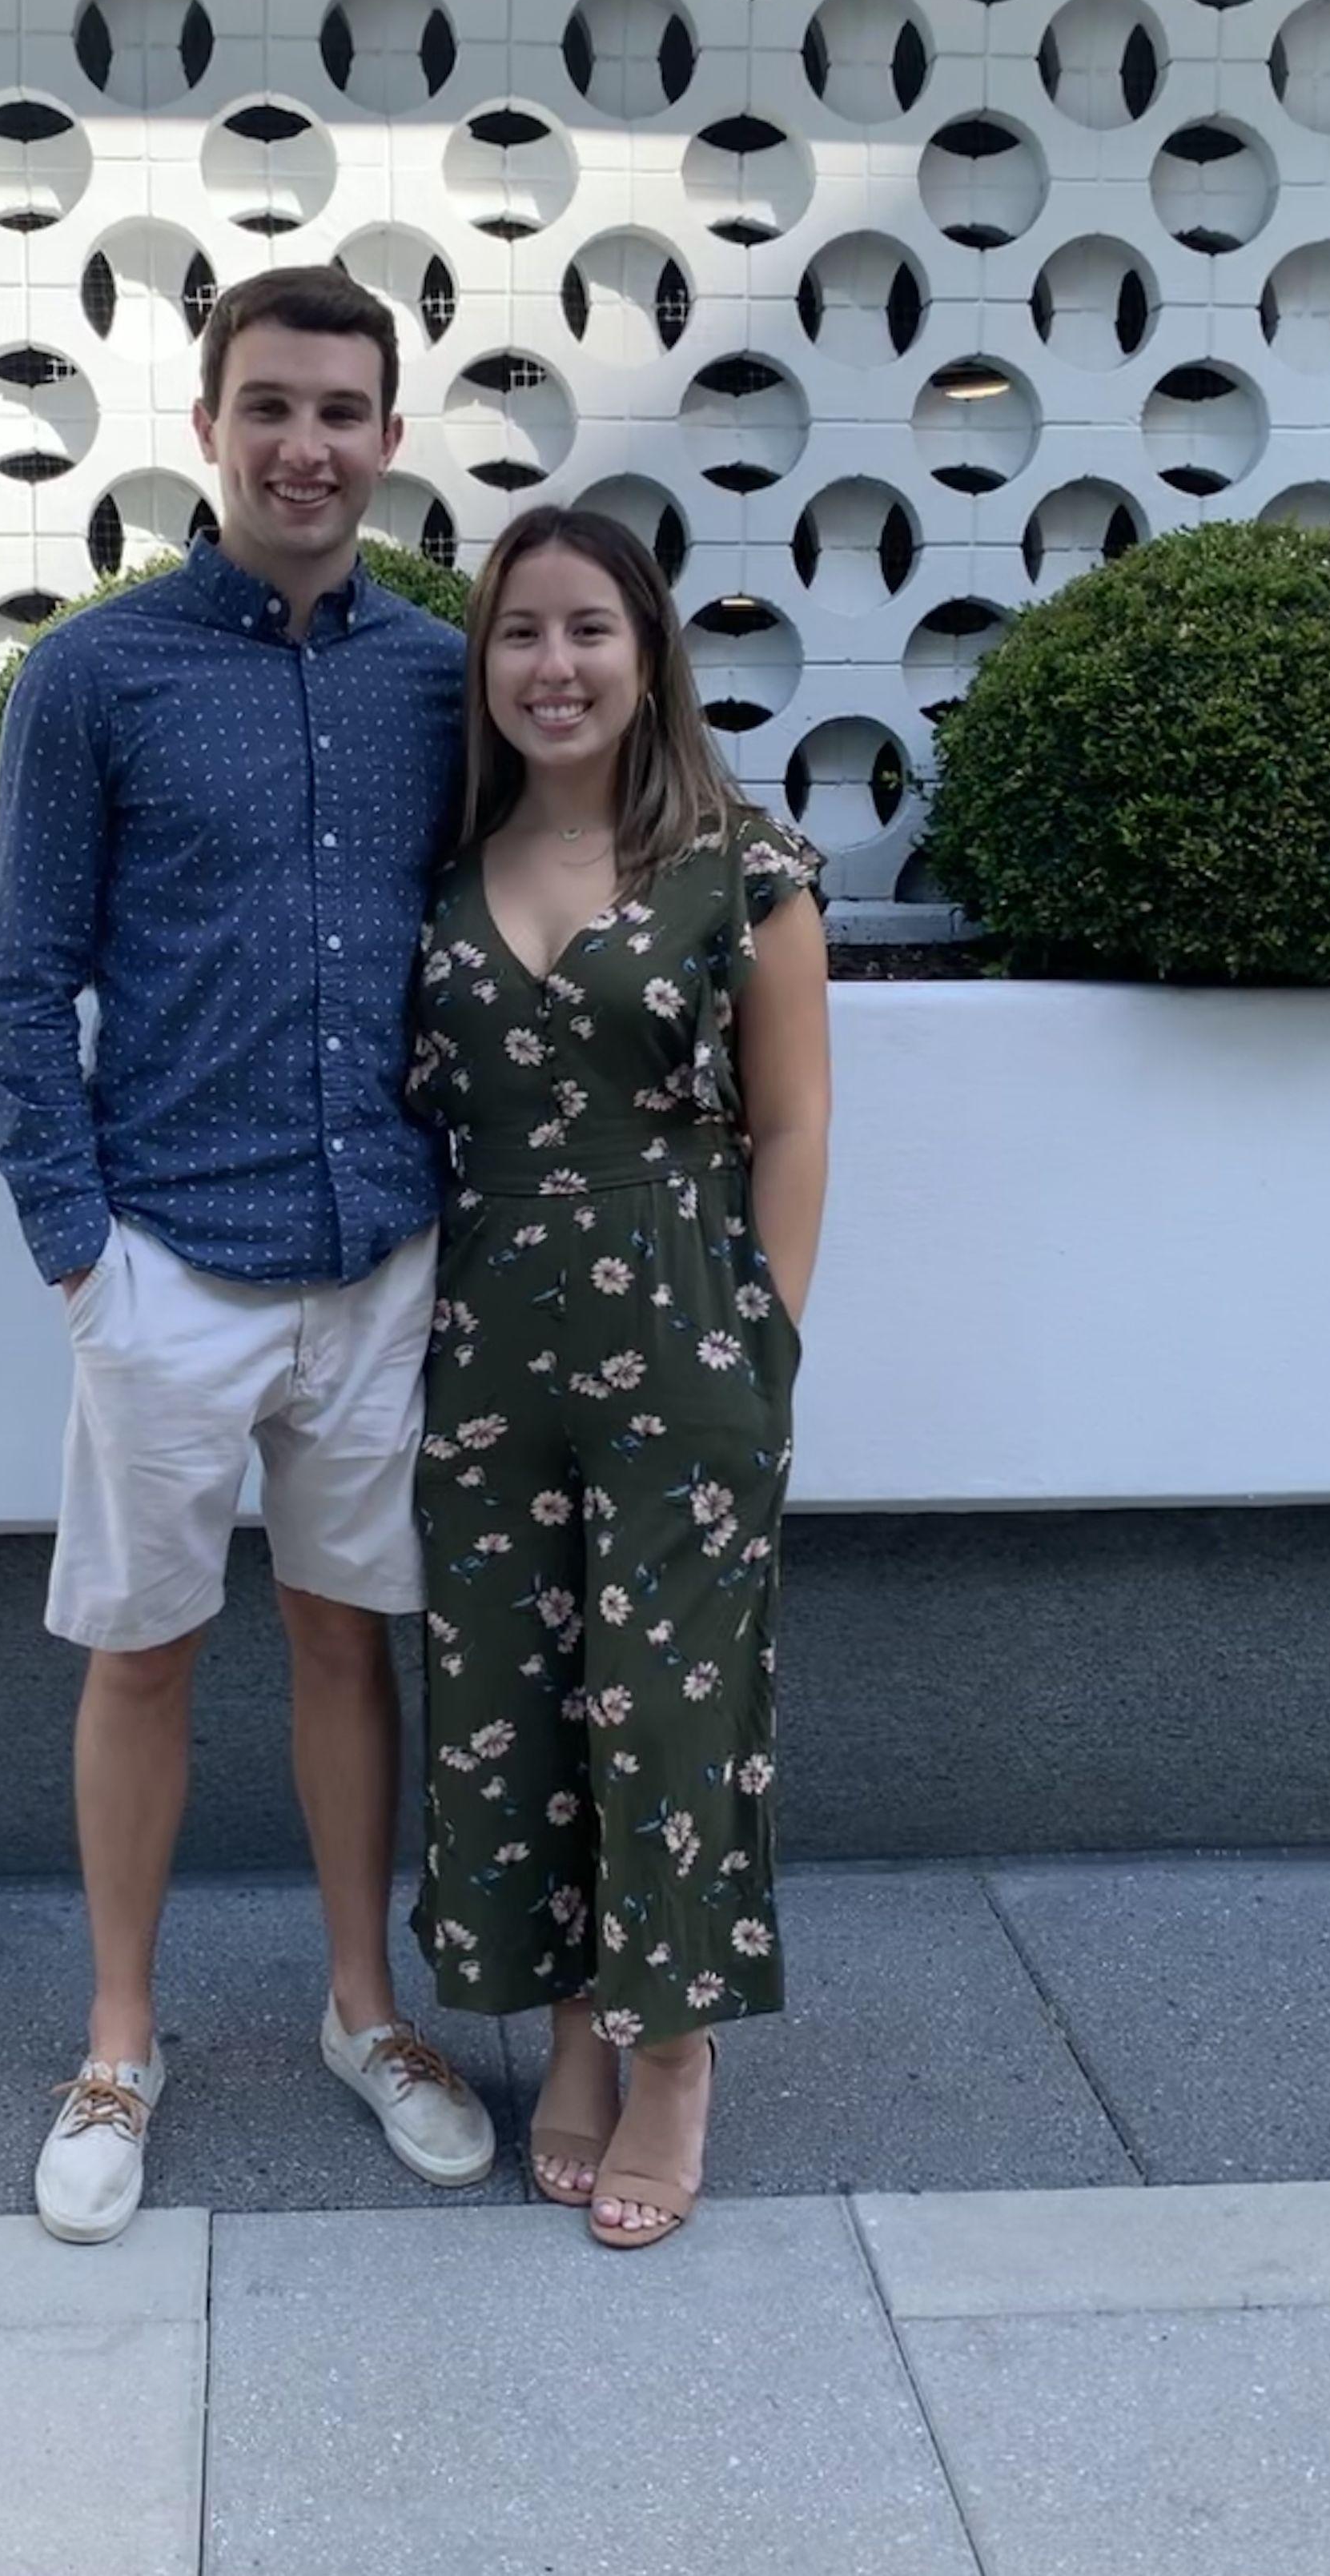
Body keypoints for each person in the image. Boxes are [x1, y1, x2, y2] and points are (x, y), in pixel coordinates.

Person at [0, 266, 500, 2245]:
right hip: (170, 1260)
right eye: (269, 405)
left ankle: (368, 2010)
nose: (306, 445)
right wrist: (80, 1261)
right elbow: (18, 991)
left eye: (342, 410)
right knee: (145, 1649)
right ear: (207, 428)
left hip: (381, 1256)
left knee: (351, 1636)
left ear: (389, 437)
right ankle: (122, 2039)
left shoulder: (442, 676)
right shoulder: (93, 678)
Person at [404, 503, 831, 2247]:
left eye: (588, 628)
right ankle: (574, 2013)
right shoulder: (442, 868)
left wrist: (764, 1333)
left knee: (663, 1707)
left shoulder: (745, 867)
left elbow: (793, 1122)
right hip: (486, 1337)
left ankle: (671, 2053)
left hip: (681, 1322)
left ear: (647, 653)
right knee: (516, 1698)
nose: (553, 664)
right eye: (519, 632)